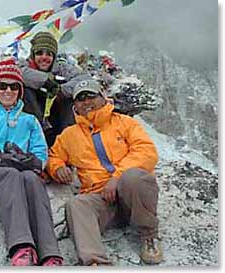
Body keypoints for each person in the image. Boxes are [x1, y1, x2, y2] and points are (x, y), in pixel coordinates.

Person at [46, 79, 163, 266]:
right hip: (101, 200)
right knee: (77, 204)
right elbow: (54, 156)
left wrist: (117, 177)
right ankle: (96, 262)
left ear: (103, 97)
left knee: (134, 177)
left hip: (131, 194)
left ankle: (148, 235)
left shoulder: (125, 123)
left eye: (91, 95)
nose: (86, 102)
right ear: (74, 105)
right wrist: (58, 168)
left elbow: (146, 152)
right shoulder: (69, 135)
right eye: (80, 98)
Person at [0, 58, 63, 266]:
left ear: (19, 90)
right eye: (1, 86)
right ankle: (21, 246)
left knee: (32, 179)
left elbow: (40, 153)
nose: (7, 91)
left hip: (20, 176)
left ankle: (50, 252)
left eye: (13, 86)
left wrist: (29, 161)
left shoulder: (29, 120)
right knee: (10, 174)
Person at [19, 31, 81, 146]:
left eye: (49, 54)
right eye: (39, 53)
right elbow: (17, 72)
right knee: (26, 91)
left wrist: (61, 90)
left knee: (70, 98)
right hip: (33, 115)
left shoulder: (61, 67)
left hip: (57, 116)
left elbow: (83, 78)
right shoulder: (24, 66)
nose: (44, 57)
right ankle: (37, 135)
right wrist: (46, 81)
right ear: (33, 55)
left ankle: (68, 140)